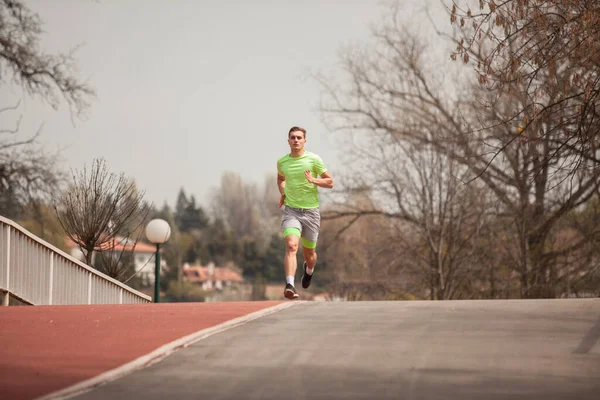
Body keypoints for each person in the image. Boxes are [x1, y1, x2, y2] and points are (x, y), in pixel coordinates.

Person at [277, 126, 333, 299]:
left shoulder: (314, 160)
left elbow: (330, 182)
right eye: (292, 137)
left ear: (304, 141)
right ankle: (290, 285)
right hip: (292, 211)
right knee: (292, 245)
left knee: (310, 255)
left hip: (311, 213)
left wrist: (313, 180)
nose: (296, 140)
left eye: (299, 137)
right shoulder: (282, 162)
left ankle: (308, 270)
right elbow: (280, 178)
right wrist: (283, 193)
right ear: (288, 141)